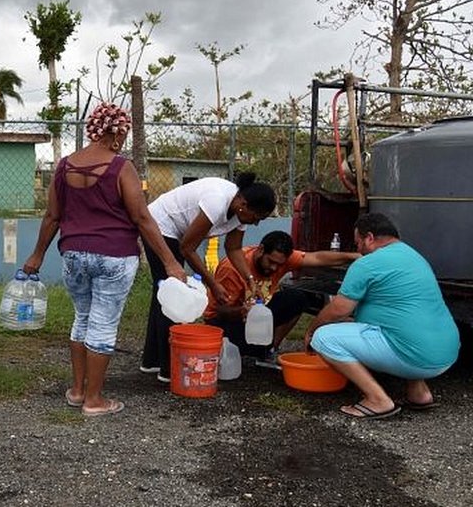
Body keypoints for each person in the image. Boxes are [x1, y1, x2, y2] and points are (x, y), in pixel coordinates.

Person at [23, 102, 183, 416]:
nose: (122, 142)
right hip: (114, 255)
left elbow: (52, 216)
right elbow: (141, 217)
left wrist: (37, 254)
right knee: (103, 325)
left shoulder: (65, 166)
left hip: (74, 254)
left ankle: (78, 390)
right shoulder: (121, 167)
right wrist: (170, 262)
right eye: (122, 135)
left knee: (82, 319)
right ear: (114, 133)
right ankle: (95, 400)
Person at [306, 213, 459, 419]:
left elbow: (339, 309)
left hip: (414, 355)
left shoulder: (367, 263)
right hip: (446, 353)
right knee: (404, 324)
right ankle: (419, 393)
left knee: (324, 338)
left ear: (369, 237)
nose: (358, 249)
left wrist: (312, 329)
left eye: (358, 242)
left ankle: (377, 400)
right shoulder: (414, 256)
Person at [141, 172, 276, 382]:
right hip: (160, 225)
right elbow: (187, 248)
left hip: (178, 233)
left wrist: (250, 279)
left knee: (164, 292)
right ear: (244, 204)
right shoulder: (217, 200)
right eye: (256, 217)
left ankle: (151, 361)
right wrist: (213, 284)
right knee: (173, 293)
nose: (256, 223)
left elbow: (233, 249)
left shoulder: (240, 213)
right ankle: (169, 369)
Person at [203, 230, 359, 367]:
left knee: (297, 298)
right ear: (260, 250)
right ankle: (256, 349)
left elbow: (317, 258)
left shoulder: (281, 259)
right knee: (244, 348)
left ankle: (269, 350)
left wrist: (355, 257)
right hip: (223, 323)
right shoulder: (232, 268)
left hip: (256, 316)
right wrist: (243, 311)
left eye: (280, 264)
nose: (274, 268)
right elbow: (219, 311)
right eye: (270, 262)